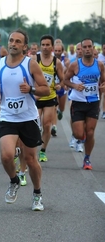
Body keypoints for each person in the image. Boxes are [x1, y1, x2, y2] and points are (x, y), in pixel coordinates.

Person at [0, 29, 50, 211]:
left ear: (24, 46)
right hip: (8, 116)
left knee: (31, 160)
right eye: (11, 40)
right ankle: (14, 180)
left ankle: (37, 194)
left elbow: (46, 90)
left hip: (28, 117)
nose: (13, 44)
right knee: (7, 155)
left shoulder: (30, 64)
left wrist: (30, 89)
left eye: (18, 41)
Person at [64, 38, 105, 170]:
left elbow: (103, 82)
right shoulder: (75, 65)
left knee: (91, 132)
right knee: (79, 134)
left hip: (93, 102)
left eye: (89, 47)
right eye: (84, 47)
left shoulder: (99, 65)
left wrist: (103, 87)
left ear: (94, 48)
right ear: (81, 49)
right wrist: (75, 85)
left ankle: (87, 158)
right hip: (78, 102)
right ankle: (81, 138)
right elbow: (65, 80)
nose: (87, 49)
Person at [31, 35, 64, 162]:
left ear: (52, 46)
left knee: (46, 125)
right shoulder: (34, 58)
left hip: (50, 97)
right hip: (36, 97)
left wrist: (59, 85)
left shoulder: (57, 62)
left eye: (47, 45)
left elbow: (63, 80)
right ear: (40, 46)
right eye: (43, 45)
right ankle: (31, 150)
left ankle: (43, 151)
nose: (45, 47)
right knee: (35, 125)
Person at [99, 43, 105, 118]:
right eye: (104, 48)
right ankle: (98, 108)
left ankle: (104, 111)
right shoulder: (99, 57)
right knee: (99, 95)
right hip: (99, 79)